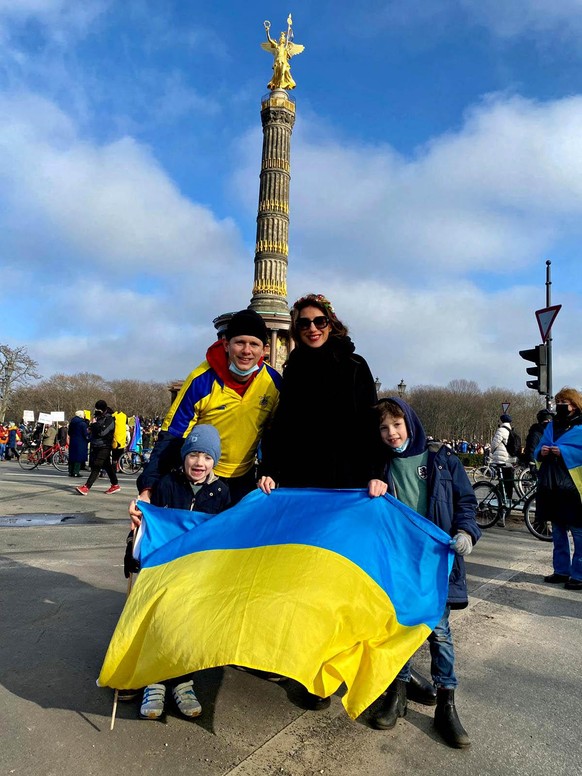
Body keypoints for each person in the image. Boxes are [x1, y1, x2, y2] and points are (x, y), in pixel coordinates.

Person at [258, 292, 380, 708]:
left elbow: (370, 423)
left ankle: (328, 668)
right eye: (304, 323)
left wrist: (377, 474)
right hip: (299, 487)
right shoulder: (293, 369)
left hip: (343, 486)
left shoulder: (354, 365)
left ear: (331, 323)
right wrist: (269, 468)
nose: (311, 328)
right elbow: (281, 427)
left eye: (318, 322)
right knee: (300, 576)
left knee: (333, 579)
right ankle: (304, 665)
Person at [367, 397, 480, 749]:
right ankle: (397, 692)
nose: (391, 433)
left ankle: (446, 703)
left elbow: (466, 503)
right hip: (399, 562)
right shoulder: (379, 466)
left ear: (410, 423)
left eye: (397, 425)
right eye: (384, 428)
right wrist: (371, 486)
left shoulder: (441, 459)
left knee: (439, 633)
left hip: (436, 562)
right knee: (399, 629)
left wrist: (466, 533)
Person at [132, 309, 280, 522]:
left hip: (243, 481)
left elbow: (274, 437)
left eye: (254, 344)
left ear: (264, 350)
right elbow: (172, 436)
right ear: (226, 344)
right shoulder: (200, 380)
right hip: (200, 478)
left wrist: (270, 472)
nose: (247, 351)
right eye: (240, 343)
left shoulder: (273, 383)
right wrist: (148, 488)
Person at [127, 425, 231, 720]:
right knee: (158, 623)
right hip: (163, 570)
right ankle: (155, 682)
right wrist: (136, 528)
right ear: (184, 457)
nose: (200, 462)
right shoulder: (166, 485)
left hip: (196, 574)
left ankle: (182, 682)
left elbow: (226, 533)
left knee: (188, 627)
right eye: (194, 454)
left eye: (207, 457)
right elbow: (148, 525)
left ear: (215, 461)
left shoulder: (222, 492)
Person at [536, 387, 582, 591]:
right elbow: (538, 449)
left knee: (579, 533)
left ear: (574, 404)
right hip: (553, 486)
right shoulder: (552, 426)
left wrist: (563, 451)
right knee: (558, 532)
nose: (560, 406)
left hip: (574, 488)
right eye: (558, 402)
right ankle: (561, 570)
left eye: (564, 402)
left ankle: (579, 575)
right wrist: (542, 452)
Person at [75, 401, 120, 495]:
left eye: (98, 409)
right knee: (107, 465)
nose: (97, 411)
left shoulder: (110, 419)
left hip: (105, 445)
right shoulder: (98, 417)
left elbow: (102, 432)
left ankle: (87, 486)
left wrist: (94, 425)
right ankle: (115, 484)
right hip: (96, 444)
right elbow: (93, 429)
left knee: (97, 465)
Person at [489, 413, 515, 526]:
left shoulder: (501, 430)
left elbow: (494, 444)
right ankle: (506, 506)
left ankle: (500, 507)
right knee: (508, 485)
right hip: (509, 460)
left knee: (502, 484)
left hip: (500, 459)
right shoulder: (511, 431)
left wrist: (491, 451)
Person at [67, 411, 89, 477]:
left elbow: (69, 433)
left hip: (73, 441)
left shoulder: (72, 422)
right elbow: (85, 434)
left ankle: (70, 471)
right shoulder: (82, 423)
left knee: (72, 456)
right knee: (78, 457)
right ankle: (76, 472)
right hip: (81, 442)